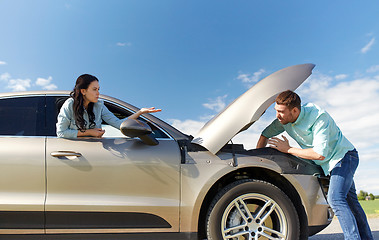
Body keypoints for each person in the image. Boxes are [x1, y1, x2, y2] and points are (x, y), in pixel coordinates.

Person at [256, 90, 373, 240]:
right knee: (352, 203)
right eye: (276, 111)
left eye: (281, 112)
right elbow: (265, 134)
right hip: (329, 164)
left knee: (336, 199)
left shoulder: (318, 116)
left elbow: (319, 154)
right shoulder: (284, 121)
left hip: (344, 157)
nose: (277, 115)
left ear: (295, 110)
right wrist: (259, 159)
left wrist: (288, 149)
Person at [56, 74, 161, 139]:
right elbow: (61, 132)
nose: (98, 93)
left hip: (96, 152)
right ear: (83, 91)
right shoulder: (70, 104)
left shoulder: (99, 106)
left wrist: (139, 112)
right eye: (94, 89)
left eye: (98, 89)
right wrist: (88, 132)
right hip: (76, 153)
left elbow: (119, 124)